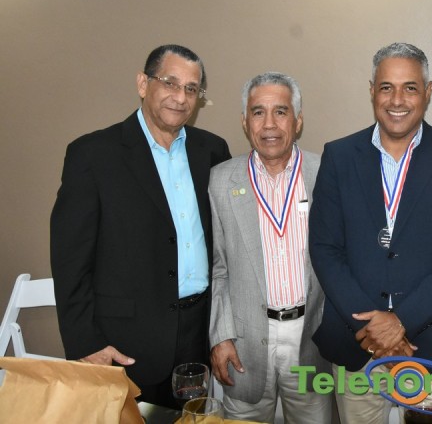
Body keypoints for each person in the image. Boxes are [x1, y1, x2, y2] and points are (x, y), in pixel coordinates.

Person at [309, 42, 432, 424]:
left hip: (430, 345)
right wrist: (372, 329)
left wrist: (401, 322)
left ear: (428, 92)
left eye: (410, 87)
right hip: (356, 344)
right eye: (386, 87)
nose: (397, 100)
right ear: (372, 90)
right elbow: (325, 249)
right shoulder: (339, 156)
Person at [50, 44, 231, 408]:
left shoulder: (212, 151)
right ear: (143, 84)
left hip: (197, 334)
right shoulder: (93, 155)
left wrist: (221, 330)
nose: (180, 97)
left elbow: (222, 247)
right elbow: (70, 260)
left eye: (191, 89)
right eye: (170, 83)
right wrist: (85, 342)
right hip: (124, 343)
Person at [208, 72, 331, 423]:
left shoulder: (325, 173)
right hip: (244, 343)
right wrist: (220, 336)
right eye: (258, 112)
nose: (269, 124)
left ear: (298, 120)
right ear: (245, 121)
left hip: (310, 341)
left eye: (281, 111)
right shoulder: (221, 180)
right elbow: (218, 269)